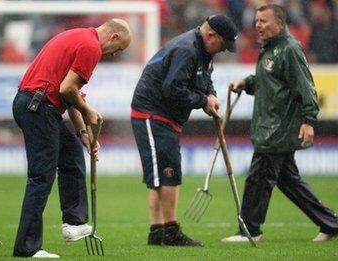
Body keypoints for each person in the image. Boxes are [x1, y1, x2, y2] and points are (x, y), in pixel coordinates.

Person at [12, 19, 131, 258]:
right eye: (117, 49)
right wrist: (88, 111)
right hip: (39, 107)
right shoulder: (91, 47)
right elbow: (67, 90)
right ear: (114, 37)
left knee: (72, 157)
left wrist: (83, 134)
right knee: (41, 176)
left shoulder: (79, 36)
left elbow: (69, 93)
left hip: (36, 105)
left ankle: (74, 224)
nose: (113, 54)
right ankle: (27, 248)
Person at [221, 4, 338, 243]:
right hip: (272, 127)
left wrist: (308, 121)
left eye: (263, 21)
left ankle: (250, 230)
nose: (258, 25)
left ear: (279, 23)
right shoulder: (272, 49)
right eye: (256, 21)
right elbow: (271, 81)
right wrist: (247, 83)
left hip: (278, 129)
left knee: (258, 178)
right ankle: (331, 224)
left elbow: (305, 88)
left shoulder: (289, 49)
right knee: (289, 182)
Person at [131, 15, 237, 247]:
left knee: (160, 174)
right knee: (168, 172)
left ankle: (157, 231)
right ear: (211, 36)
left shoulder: (204, 52)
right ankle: (170, 231)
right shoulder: (186, 50)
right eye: (223, 44)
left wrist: (212, 97)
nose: (223, 51)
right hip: (152, 113)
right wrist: (202, 101)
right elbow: (172, 89)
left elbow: (205, 79)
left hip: (164, 116)